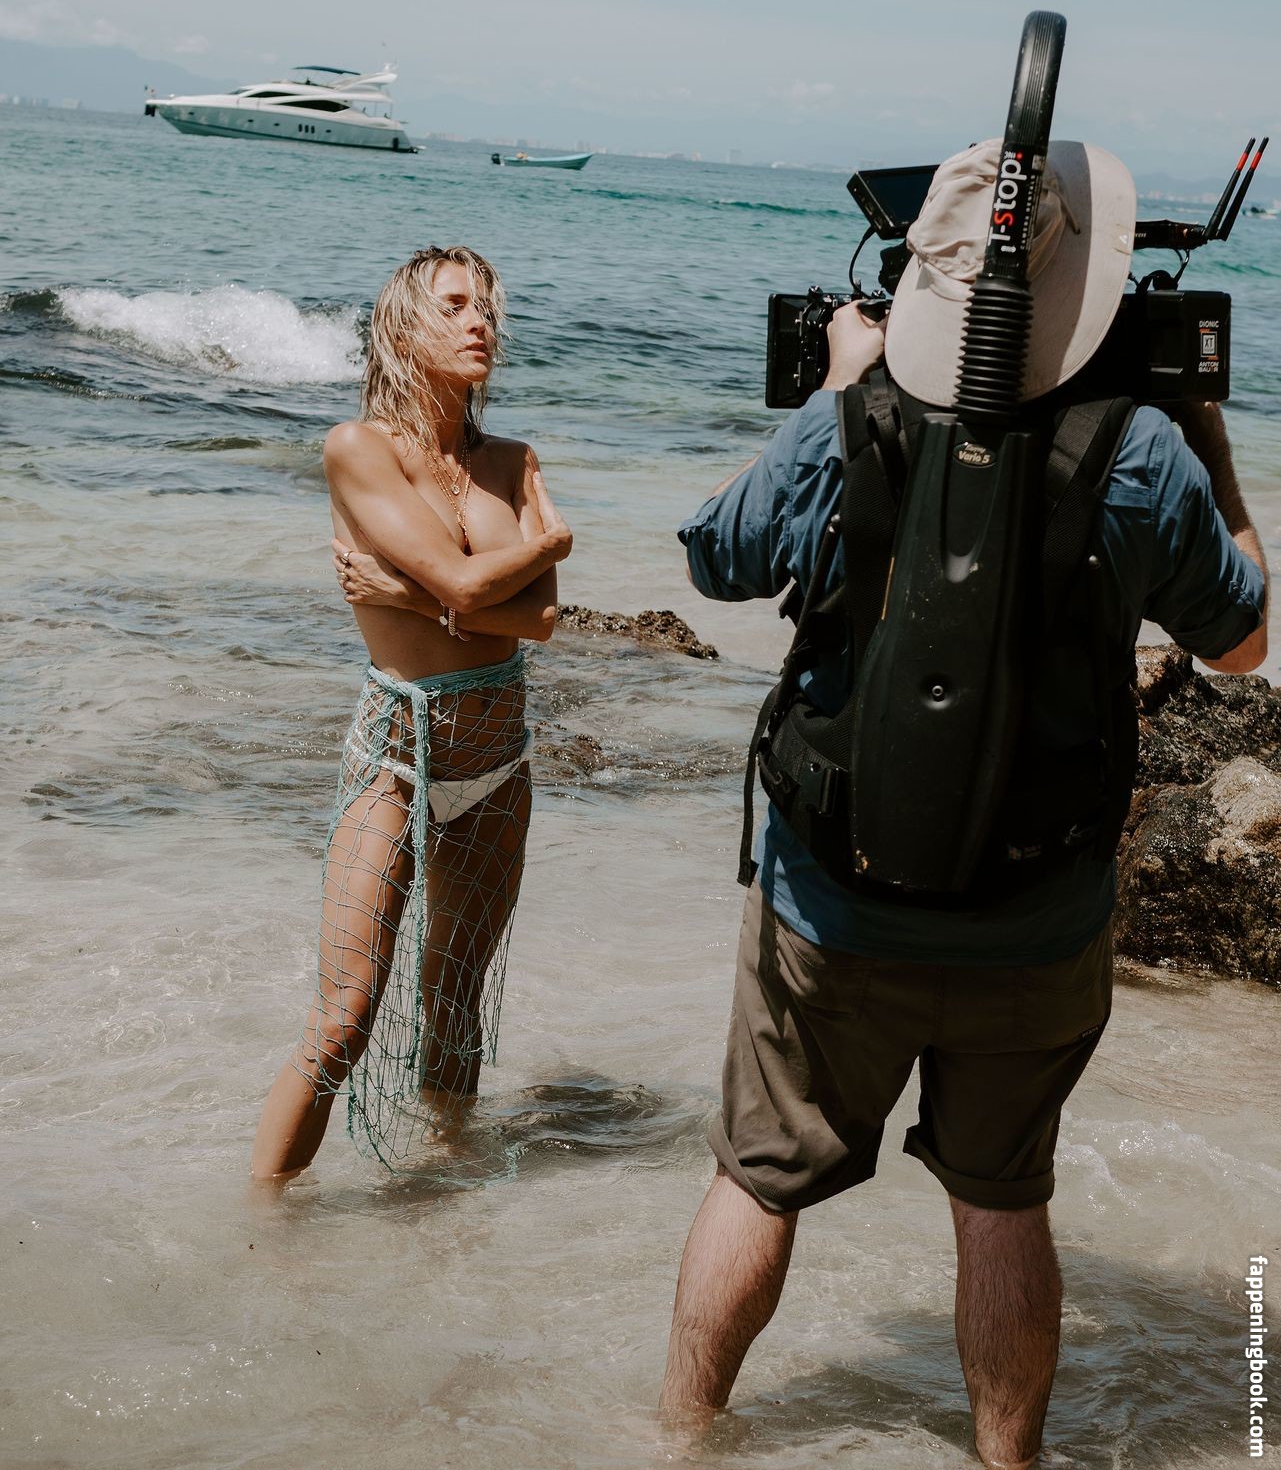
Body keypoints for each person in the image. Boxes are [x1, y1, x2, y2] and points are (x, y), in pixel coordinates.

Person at [660, 141, 1269, 1467]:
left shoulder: (849, 421)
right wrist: (1211, 447)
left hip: (832, 906)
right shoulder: (1142, 450)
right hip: (1036, 917)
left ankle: (682, 1439)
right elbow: (1243, 642)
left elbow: (715, 557)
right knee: (1002, 1204)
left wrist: (836, 391)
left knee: (758, 1180)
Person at [252, 246, 571, 1180]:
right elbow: (472, 586)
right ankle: (261, 1225)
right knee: (344, 1015)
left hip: (498, 754)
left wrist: (402, 596)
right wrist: (547, 545)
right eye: (455, 306)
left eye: (487, 309)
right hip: (397, 751)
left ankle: (443, 1198)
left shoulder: (511, 460)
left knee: (455, 1000)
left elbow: (538, 621)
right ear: (402, 327)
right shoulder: (358, 449)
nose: (480, 324)